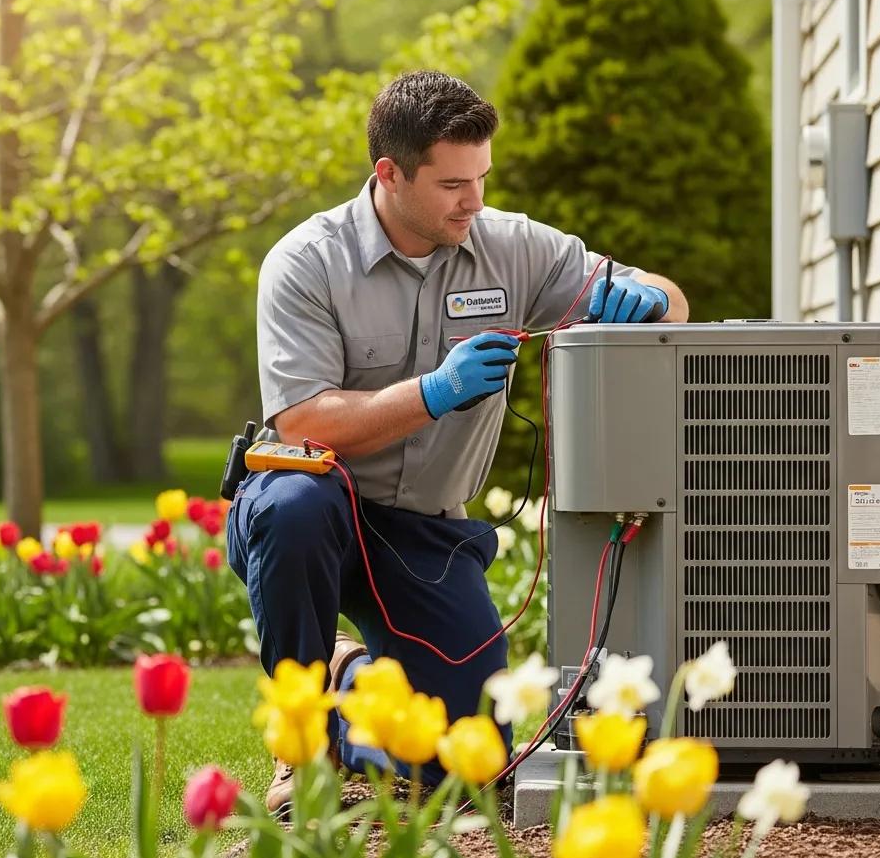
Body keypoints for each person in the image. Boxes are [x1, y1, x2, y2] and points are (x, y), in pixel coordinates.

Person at [226, 70, 689, 813]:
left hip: (426, 532)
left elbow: (673, 300)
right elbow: (303, 422)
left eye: (481, 177)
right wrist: (433, 393)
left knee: (468, 762)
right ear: (390, 173)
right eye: (451, 184)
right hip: (320, 510)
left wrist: (651, 299)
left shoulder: (512, 246)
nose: (473, 200)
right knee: (292, 505)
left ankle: (348, 682)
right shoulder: (306, 262)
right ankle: (300, 744)